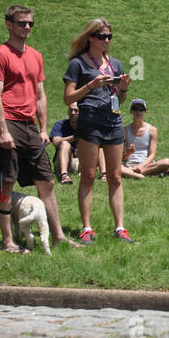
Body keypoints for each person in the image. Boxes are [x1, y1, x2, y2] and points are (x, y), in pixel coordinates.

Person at [0, 5, 70, 253]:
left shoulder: (36, 55)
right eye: (22, 23)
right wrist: (2, 131)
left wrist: (43, 128)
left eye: (30, 23)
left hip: (29, 125)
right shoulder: (0, 54)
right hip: (7, 121)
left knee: (47, 181)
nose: (27, 27)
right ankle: (8, 241)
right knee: (5, 183)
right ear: (9, 24)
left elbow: (40, 95)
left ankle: (58, 237)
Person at [64, 18, 133, 244]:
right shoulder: (78, 64)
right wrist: (91, 86)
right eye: (102, 36)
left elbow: (120, 99)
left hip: (112, 121)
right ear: (90, 38)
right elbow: (68, 97)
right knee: (89, 176)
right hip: (90, 121)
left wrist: (122, 88)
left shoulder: (115, 64)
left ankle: (120, 227)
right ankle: (86, 228)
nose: (106, 41)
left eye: (109, 37)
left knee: (114, 176)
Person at [121, 99, 169, 177]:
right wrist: (129, 152)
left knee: (167, 162)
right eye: (135, 109)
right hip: (129, 165)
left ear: (145, 111)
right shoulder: (125, 130)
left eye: (141, 109)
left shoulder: (152, 130)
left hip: (146, 165)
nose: (138, 112)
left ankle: (134, 173)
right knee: (113, 165)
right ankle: (138, 174)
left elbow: (152, 155)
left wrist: (142, 165)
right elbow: (123, 159)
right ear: (130, 111)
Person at [50, 103, 81, 184]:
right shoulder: (60, 124)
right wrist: (74, 137)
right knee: (64, 144)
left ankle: (104, 173)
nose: (73, 113)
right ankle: (64, 175)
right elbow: (56, 142)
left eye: (76, 111)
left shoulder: (87, 126)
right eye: (71, 110)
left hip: (80, 162)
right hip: (62, 163)